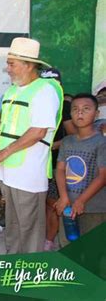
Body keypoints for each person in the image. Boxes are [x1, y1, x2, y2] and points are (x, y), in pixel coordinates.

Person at [0, 37, 63, 253]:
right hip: (8, 171)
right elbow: (3, 126)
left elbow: (38, 131)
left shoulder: (44, 91)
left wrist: (4, 152)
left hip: (28, 174)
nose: (7, 68)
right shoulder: (12, 91)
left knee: (30, 228)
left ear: (29, 65)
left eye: (12, 63)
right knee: (12, 225)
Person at [54, 94, 106, 245]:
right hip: (68, 206)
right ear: (70, 114)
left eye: (86, 109)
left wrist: (81, 201)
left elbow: (102, 177)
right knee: (67, 245)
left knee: (92, 249)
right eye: (75, 109)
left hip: (93, 207)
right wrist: (64, 197)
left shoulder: (101, 143)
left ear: (96, 114)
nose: (80, 113)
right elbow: (60, 170)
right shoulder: (67, 142)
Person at [39, 68, 77, 251]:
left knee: (55, 203)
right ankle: (49, 238)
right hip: (38, 163)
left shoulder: (65, 106)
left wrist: (53, 145)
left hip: (57, 165)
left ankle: (52, 240)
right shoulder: (37, 103)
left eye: (53, 84)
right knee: (48, 204)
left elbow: (74, 136)